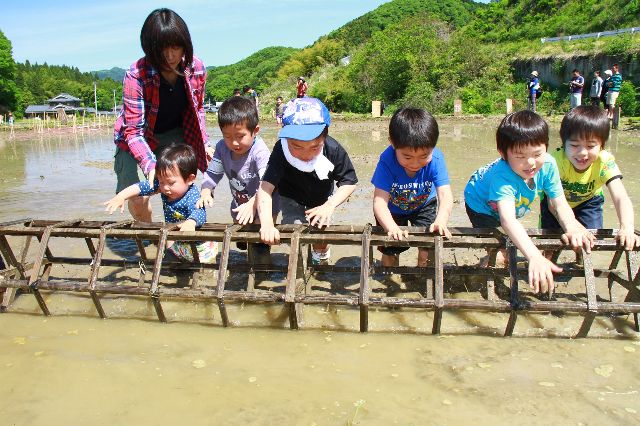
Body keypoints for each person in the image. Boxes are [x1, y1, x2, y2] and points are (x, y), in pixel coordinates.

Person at [464, 110, 595, 293]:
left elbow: (558, 203)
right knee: (500, 252)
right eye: (520, 156)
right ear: (503, 153)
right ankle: (474, 278)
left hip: (509, 202)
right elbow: (508, 220)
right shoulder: (503, 177)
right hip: (480, 204)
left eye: (537, 153)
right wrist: (533, 255)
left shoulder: (548, 165)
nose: (531, 163)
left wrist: (572, 226)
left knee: (512, 244)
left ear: (546, 148)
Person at [112, 8, 209, 223]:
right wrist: (150, 164)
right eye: (162, 49)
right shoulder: (136, 74)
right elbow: (133, 131)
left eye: (176, 47)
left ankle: (181, 236)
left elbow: (198, 110)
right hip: (134, 138)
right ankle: (150, 242)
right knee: (138, 197)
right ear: (150, 48)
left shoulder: (196, 68)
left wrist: (205, 143)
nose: (171, 56)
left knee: (183, 186)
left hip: (174, 132)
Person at [256, 97, 358, 265]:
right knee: (294, 229)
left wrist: (329, 206)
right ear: (287, 138)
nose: (306, 154)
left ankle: (321, 254)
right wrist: (267, 223)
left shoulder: (333, 149)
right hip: (291, 197)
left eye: (314, 147)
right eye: (296, 147)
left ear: (324, 137)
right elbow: (266, 188)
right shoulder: (281, 150)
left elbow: (349, 182)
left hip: (321, 198)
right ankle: (299, 260)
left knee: (321, 231)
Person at [540, 106, 639, 250]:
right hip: (555, 203)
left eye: (591, 146)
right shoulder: (555, 162)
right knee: (549, 244)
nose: (582, 153)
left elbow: (620, 197)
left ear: (602, 146)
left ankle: (580, 259)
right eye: (574, 145)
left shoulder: (604, 161)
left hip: (588, 201)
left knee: (589, 241)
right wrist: (573, 225)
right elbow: (553, 203)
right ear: (563, 144)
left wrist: (627, 227)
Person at [104, 144, 218, 262]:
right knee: (169, 238)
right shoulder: (164, 186)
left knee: (200, 268)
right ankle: (171, 258)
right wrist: (121, 196)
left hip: (198, 243)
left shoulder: (192, 195)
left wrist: (191, 222)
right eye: (161, 181)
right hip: (176, 238)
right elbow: (141, 187)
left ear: (190, 179)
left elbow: (200, 212)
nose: (165, 188)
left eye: (171, 183)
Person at [196, 96, 278, 259]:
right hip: (240, 204)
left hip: (264, 202)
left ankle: (260, 266)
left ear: (255, 131)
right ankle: (246, 247)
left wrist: (253, 203)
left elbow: (268, 184)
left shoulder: (260, 152)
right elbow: (213, 173)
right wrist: (206, 190)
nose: (234, 143)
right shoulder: (221, 148)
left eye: (240, 136)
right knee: (242, 238)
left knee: (260, 241)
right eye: (227, 136)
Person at [371, 108, 453, 268]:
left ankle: (421, 279)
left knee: (427, 249)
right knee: (391, 249)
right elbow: (379, 202)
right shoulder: (386, 161)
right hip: (392, 209)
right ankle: (389, 283)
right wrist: (391, 227)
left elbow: (445, 194)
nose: (415, 163)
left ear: (433, 147)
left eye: (424, 156)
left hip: (424, 205)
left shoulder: (436, 159)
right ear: (393, 143)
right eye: (407, 157)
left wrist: (441, 220)